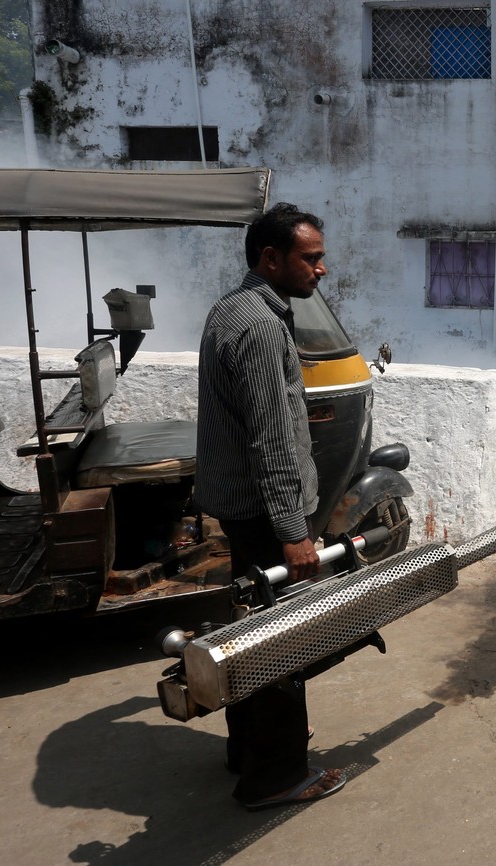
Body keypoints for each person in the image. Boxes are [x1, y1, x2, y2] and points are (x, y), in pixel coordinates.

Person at [195, 202, 346, 810]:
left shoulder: (233, 309)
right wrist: (293, 532)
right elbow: (271, 437)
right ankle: (277, 776)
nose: (322, 270)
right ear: (271, 258)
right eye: (311, 258)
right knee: (280, 641)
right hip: (263, 514)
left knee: (246, 632)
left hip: (240, 507)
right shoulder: (258, 326)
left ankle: (246, 749)